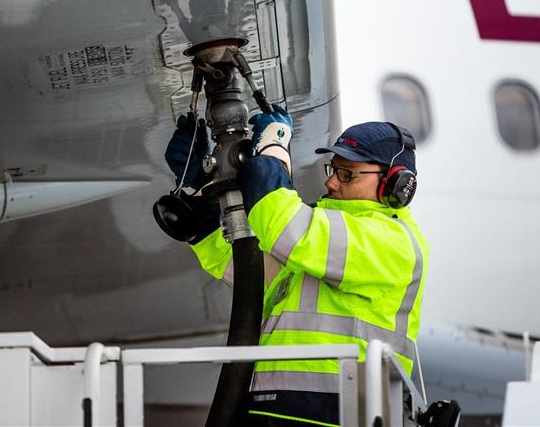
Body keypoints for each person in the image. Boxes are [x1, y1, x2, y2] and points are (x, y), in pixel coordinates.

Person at [164, 106, 429, 426]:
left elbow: (284, 225)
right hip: (279, 411)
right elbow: (248, 273)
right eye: (334, 170)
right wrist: (199, 196)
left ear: (395, 184)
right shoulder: (322, 245)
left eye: (348, 174)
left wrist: (273, 148)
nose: (332, 184)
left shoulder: (392, 241)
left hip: (337, 415)